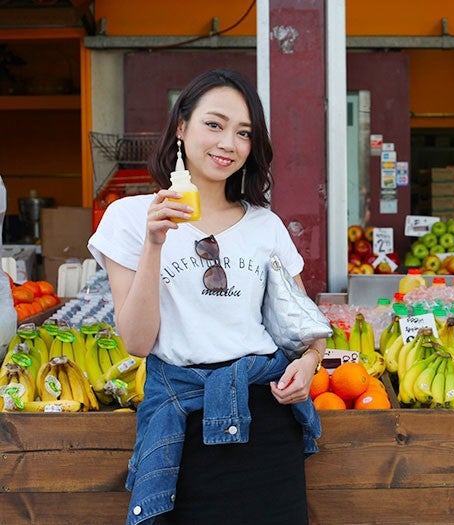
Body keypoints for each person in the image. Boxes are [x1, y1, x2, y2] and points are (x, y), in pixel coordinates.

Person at [88, 69, 325, 525]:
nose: (228, 143)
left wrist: (309, 364)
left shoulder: (265, 225)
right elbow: (137, 342)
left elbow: (303, 325)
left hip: (265, 416)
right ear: (181, 127)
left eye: (243, 133)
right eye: (214, 124)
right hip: (180, 419)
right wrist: (154, 243)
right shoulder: (130, 216)